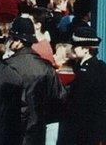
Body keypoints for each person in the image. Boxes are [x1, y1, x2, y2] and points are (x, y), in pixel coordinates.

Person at [5, 16, 66, 145]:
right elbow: (59, 98)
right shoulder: (46, 67)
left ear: (18, 41)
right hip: (37, 130)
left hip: (10, 129)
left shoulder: (6, 66)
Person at [58, 27, 106, 145]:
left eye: (76, 46)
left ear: (86, 49)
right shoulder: (101, 67)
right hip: (101, 129)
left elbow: (79, 105)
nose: (72, 48)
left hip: (88, 132)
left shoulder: (86, 72)